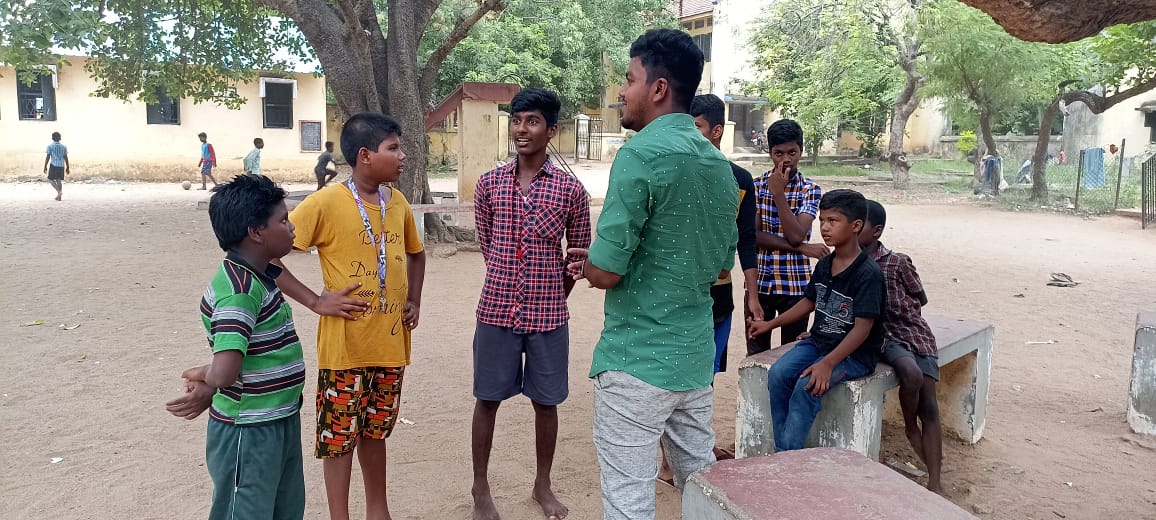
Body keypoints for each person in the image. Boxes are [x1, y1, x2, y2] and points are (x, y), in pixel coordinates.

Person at [568, 29, 738, 520]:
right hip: (693, 360)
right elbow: (721, 265)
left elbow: (605, 272)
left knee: (629, 500)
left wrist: (584, 262)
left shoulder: (640, 155)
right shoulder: (720, 168)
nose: (622, 91)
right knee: (700, 489)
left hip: (636, 361)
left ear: (658, 88)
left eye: (629, 79)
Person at [273, 113, 427, 520]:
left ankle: (379, 511)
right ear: (364, 156)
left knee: (376, 433)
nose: (402, 155)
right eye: (393, 148)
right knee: (338, 439)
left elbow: (417, 252)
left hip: (390, 346)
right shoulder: (325, 203)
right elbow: (270, 254)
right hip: (346, 350)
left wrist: (415, 299)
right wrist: (315, 300)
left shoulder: (399, 204)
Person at [470, 87, 592, 520]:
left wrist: (554, 293)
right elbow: (489, 247)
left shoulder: (571, 191)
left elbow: (578, 255)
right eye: (517, 120)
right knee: (487, 399)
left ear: (551, 130)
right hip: (496, 311)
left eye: (533, 121)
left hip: (548, 317)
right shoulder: (488, 185)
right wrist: (511, 282)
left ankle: (543, 484)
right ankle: (480, 487)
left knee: (547, 403)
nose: (522, 130)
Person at [165, 174, 306, 520]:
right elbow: (226, 371)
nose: (292, 229)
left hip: (278, 417)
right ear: (256, 232)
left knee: (283, 507)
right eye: (283, 221)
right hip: (249, 430)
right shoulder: (239, 292)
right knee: (245, 510)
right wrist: (204, 375)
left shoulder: (262, 276)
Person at [747, 189, 884, 452]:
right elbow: (809, 302)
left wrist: (827, 364)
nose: (824, 227)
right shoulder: (825, 264)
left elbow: (863, 328)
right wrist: (770, 324)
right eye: (822, 220)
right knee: (778, 374)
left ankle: (787, 456)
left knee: (805, 386)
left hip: (853, 355)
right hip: (820, 342)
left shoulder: (868, 274)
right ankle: (785, 450)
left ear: (855, 226)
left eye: (833, 221)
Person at [859, 199, 942, 492]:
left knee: (930, 405)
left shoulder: (897, 262)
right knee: (911, 374)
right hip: (885, 335)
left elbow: (920, 297)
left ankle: (935, 481)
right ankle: (909, 425)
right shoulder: (850, 263)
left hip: (915, 332)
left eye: (860, 223)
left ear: (877, 231)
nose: (853, 226)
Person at [689, 93, 761, 372]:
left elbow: (746, 238)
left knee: (705, 376)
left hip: (718, 294)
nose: (689, 136)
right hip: (679, 293)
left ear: (716, 131)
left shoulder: (740, 180)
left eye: (696, 127)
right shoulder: (677, 174)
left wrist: (752, 296)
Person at [749, 119, 829, 357]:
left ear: (801, 151)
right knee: (755, 352)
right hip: (760, 283)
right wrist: (804, 249)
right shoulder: (755, 186)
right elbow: (752, 236)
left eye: (792, 152)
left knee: (792, 354)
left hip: (795, 285)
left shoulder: (809, 189)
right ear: (770, 153)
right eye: (779, 153)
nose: (786, 159)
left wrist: (778, 194)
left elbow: (796, 235)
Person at [43, 131, 69, 201]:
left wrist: (45, 166)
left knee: (50, 179)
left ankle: (59, 192)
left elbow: (48, 157)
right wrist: (67, 167)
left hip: (54, 165)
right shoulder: (64, 147)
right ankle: (59, 197)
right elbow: (66, 157)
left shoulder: (50, 146)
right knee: (58, 179)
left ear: (52, 138)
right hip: (61, 165)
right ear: (60, 138)